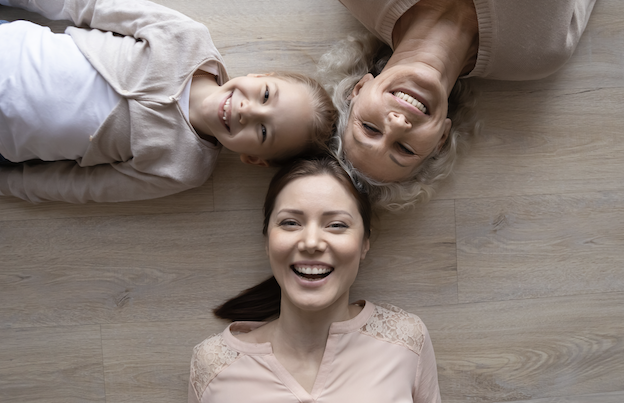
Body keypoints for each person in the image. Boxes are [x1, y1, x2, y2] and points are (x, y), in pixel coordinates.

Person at [0, 0, 337, 203]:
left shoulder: (184, 168)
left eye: (264, 130)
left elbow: (85, 187)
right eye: (266, 95)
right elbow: (91, 3)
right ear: (260, 76)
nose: (247, 110)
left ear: (254, 159)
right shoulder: (188, 39)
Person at [319, 0, 624, 210]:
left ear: (357, 90)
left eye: (370, 129)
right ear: (441, 138)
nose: (398, 125)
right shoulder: (540, 51)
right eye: (404, 148)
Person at [188, 156, 440, 402]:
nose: (311, 242)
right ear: (267, 241)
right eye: (290, 222)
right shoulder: (213, 366)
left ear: (365, 244)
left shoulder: (406, 342)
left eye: (337, 225)